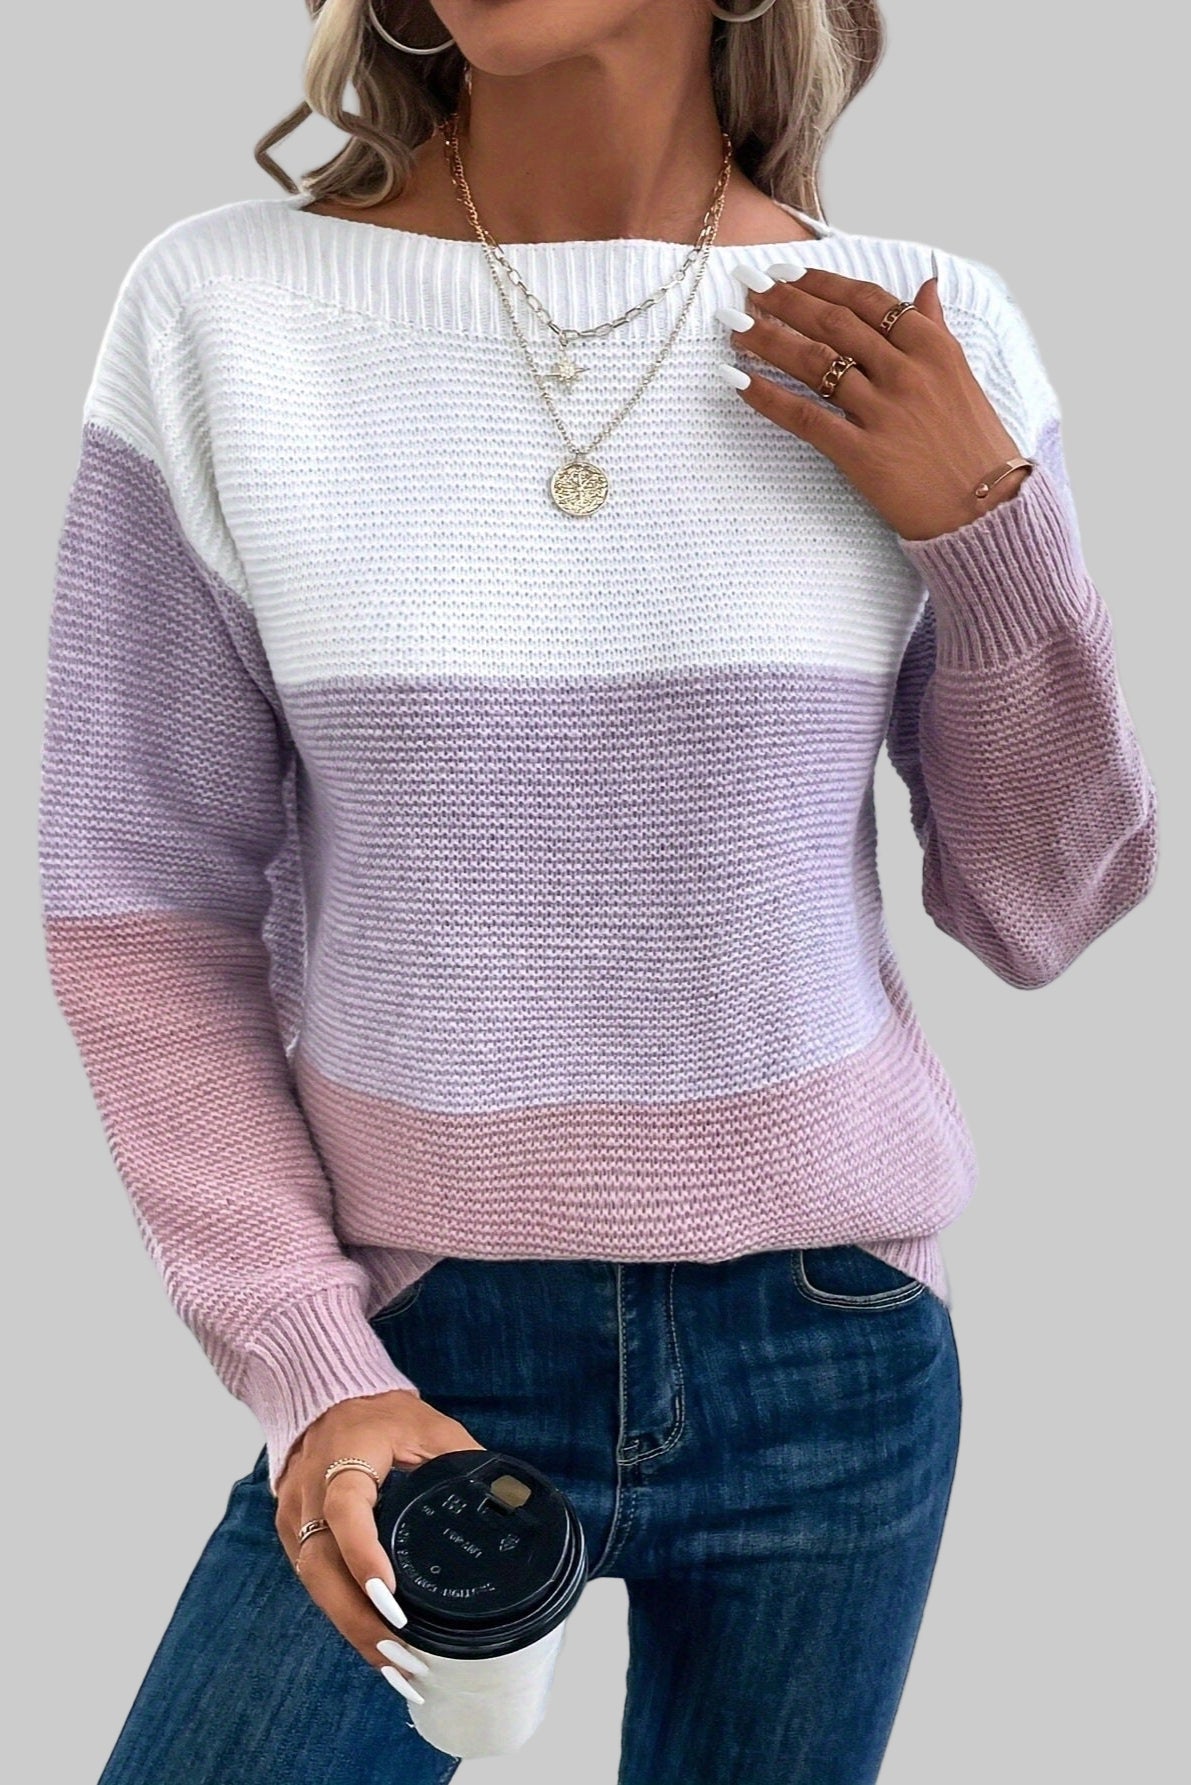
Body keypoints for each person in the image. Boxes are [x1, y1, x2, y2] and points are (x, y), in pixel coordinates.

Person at [38, 2, 1159, 1781]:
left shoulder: (918, 333)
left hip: (831, 1350)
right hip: (412, 1343)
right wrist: (311, 1359)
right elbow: (143, 907)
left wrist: (987, 527)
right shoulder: (227, 313)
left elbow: (1043, 908)